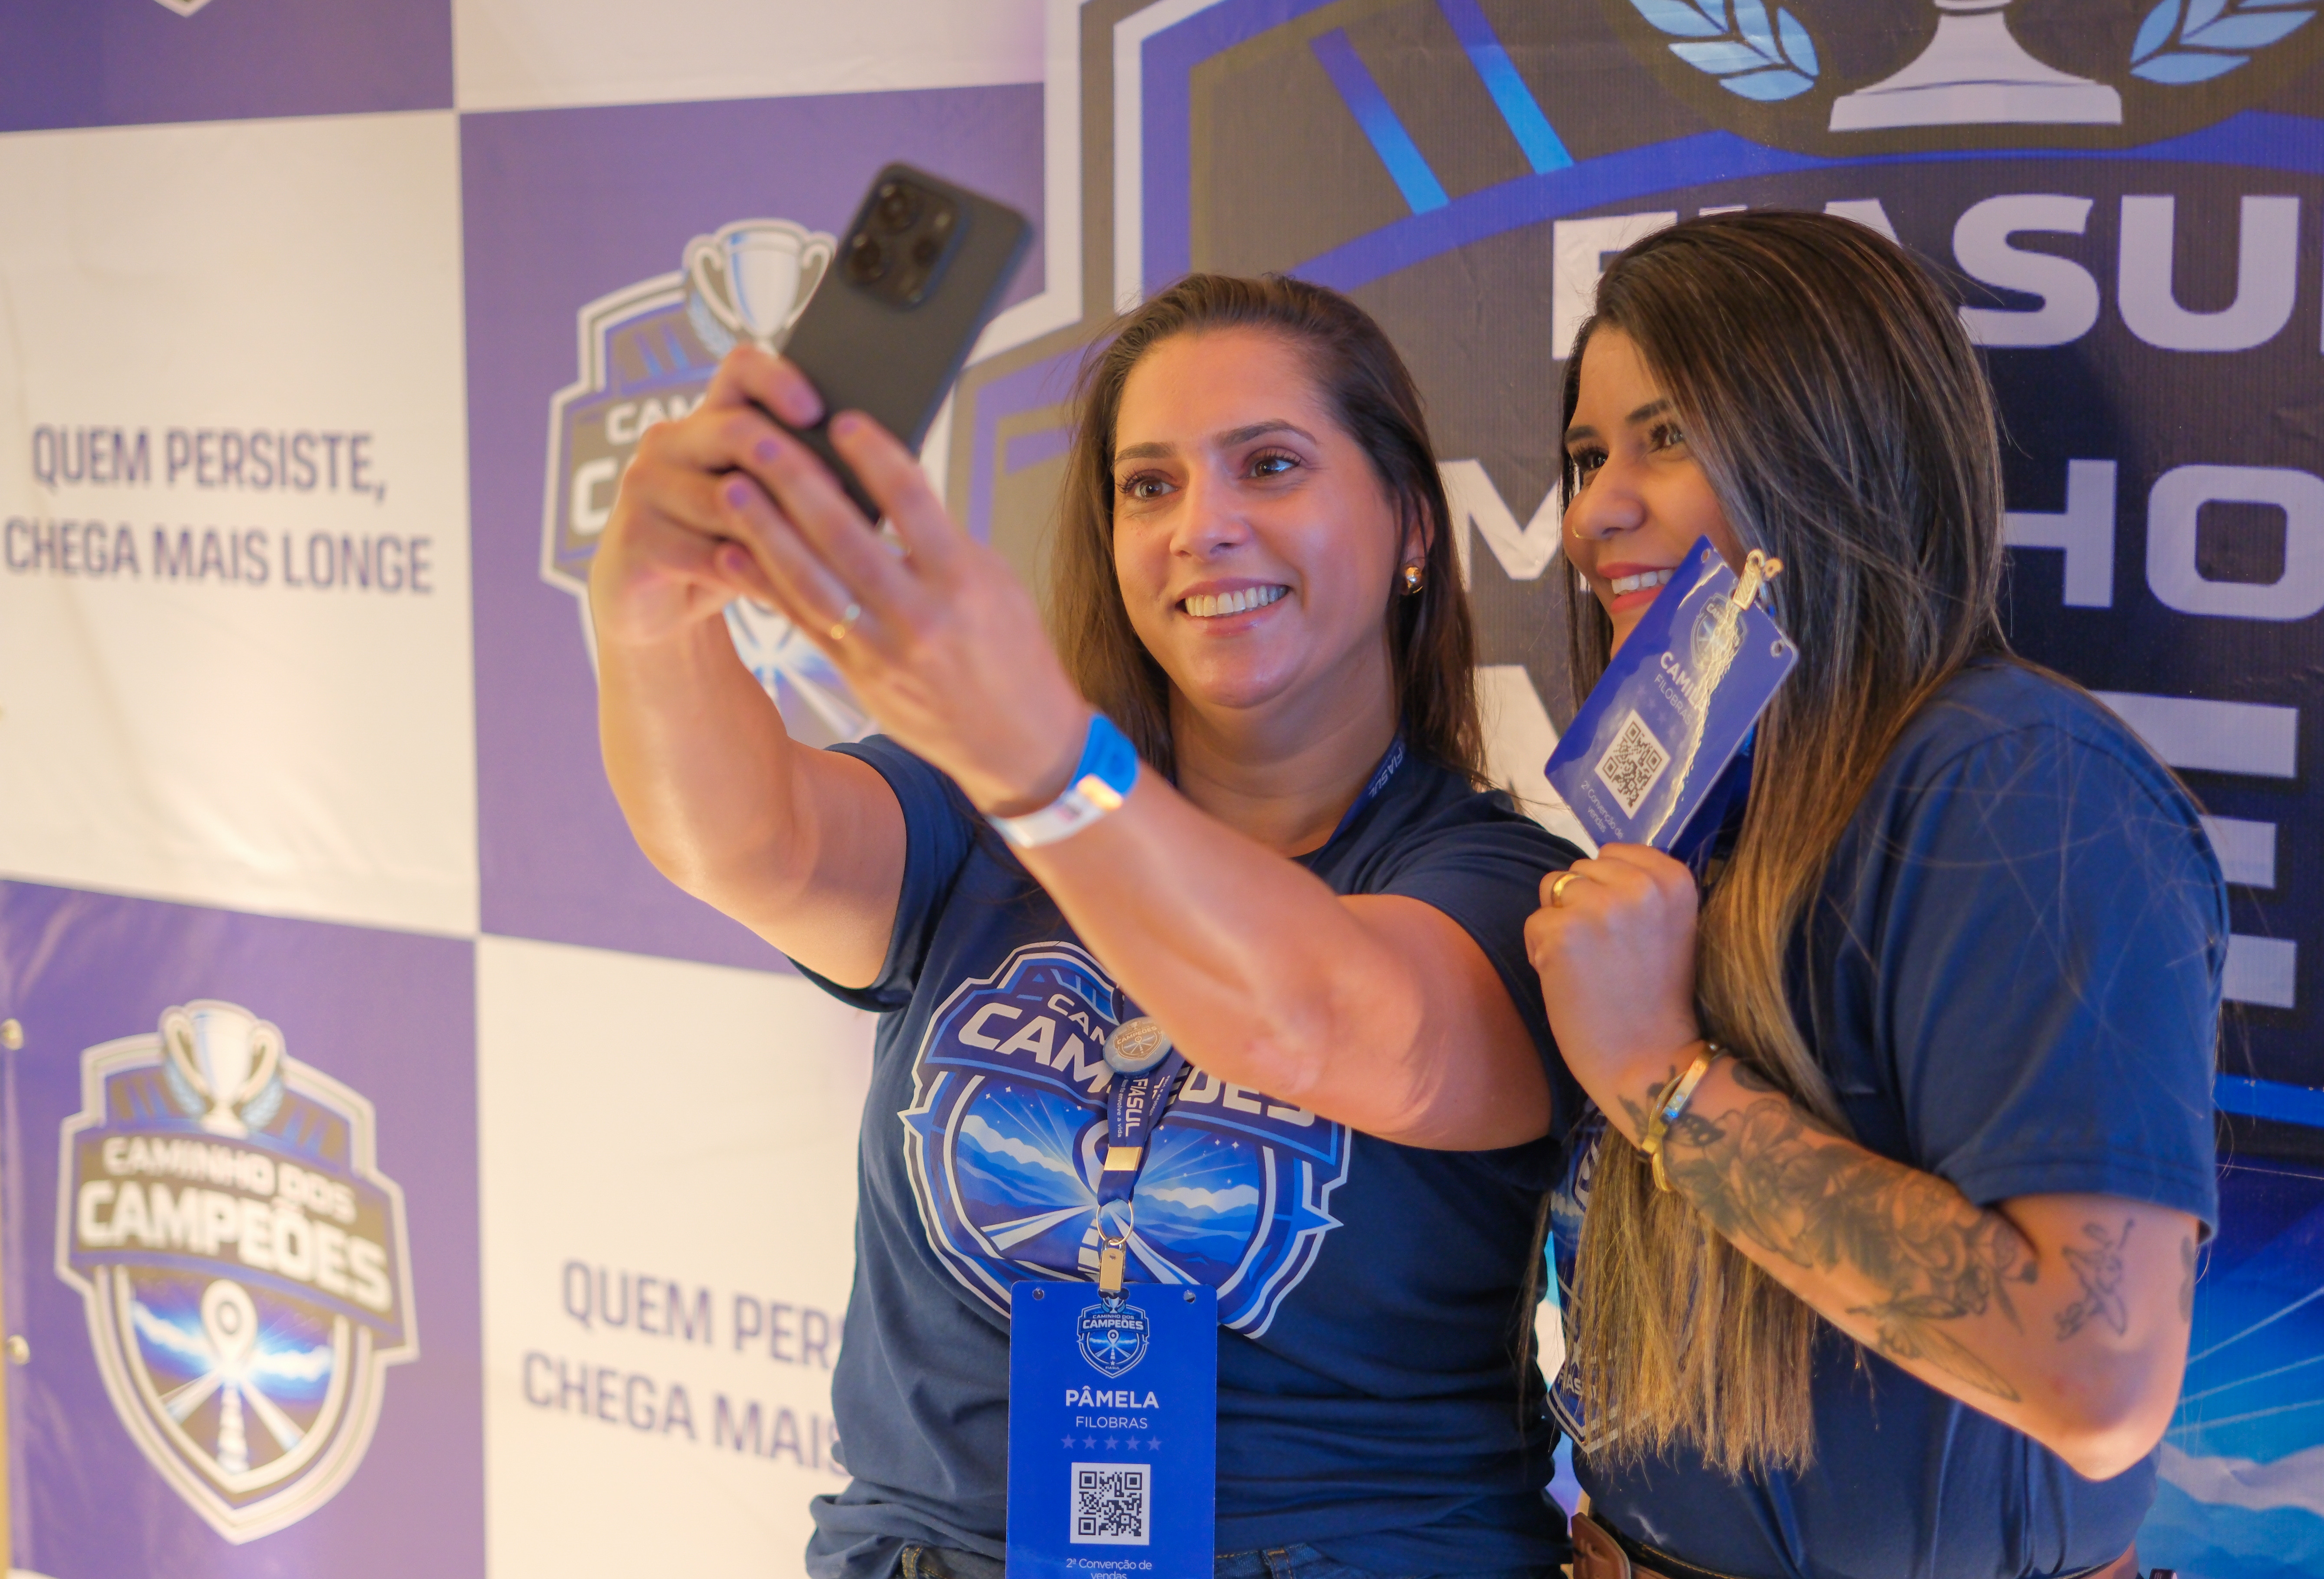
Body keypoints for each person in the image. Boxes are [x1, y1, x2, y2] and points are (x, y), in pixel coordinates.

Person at [589, 272, 1585, 1579]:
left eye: (1270, 466)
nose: (1203, 527)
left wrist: (1047, 763)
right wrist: (649, 610)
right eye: (1149, 486)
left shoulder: (1509, 888)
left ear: (1411, 522)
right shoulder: (977, 809)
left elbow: (1319, 1021)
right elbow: (744, 842)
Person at [1524, 210, 2223, 1579]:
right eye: (1589, 455)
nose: (1593, 512)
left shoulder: (2016, 783)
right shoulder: (1710, 804)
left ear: (1836, 452)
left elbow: (2095, 1379)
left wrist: (1662, 1078)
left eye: (1670, 437)